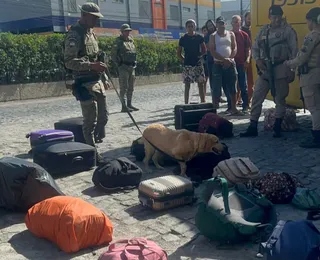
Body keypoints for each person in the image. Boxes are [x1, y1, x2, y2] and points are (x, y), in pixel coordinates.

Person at [240, 5, 298, 138]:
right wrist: (258, 60)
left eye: (278, 17)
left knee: (280, 99)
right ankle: (253, 125)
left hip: (281, 68)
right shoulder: (263, 31)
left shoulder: (288, 31)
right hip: (265, 70)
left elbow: (294, 52)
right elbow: (255, 47)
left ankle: (277, 126)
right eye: (274, 17)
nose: (276, 19)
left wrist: (292, 70)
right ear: (269, 17)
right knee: (257, 98)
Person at [64, 2, 109, 164]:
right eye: (94, 18)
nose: (96, 21)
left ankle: (93, 141)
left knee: (104, 118)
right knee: (89, 121)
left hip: (96, 81)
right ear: (84, 16)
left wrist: (104, 77)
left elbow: (97, 58)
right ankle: (93, 154)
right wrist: (91, 66)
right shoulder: (74, 35)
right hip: (82, 83)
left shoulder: (91, 33)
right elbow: (69, 62)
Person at [284, 7, 320, 148]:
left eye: (308, 21)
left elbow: (302, 58)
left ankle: (317, 137)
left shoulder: (312, 36)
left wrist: (289, 63)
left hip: (311, 76)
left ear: (313, 20)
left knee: (315, 108)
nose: (307, 24)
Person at [209, 16, 243, 115]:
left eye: (223, 23)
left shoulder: (231, 34)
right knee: (216, 88)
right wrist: (224, 59)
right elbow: (212, 50)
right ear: (216, 25)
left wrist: (230, 59)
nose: (221, 25)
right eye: (219, 23)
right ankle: (214, 110)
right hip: (218, 64)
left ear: (225, 24)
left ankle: (234, 108)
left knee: (233, 86)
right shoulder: (213, 36)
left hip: (230, 64)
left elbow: (234, 47)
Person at [177, 19, 206, 104]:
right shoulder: (183, 39)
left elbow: (204, 49)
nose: (190, 28)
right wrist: (184, 60)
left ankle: (203, 102)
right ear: (186, 27)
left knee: (200, 83)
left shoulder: (199, 38)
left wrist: (200, 57)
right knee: (187, 84)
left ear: (195, 27)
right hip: (187, 65)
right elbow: (178, 52)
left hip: (198, 64)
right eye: (188, 26)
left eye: (192, 26)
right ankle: (186, 103)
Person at [111, 24, 138, 113]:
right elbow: (113, 55)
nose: (127, 32)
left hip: (131, 66)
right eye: (126, 31)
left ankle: (129, 104)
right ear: (122, 32)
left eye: (128, 31)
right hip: (123, 67)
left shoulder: (131, 41)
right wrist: (119, 64)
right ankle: (124, 106)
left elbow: (134, 53)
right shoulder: (118, 42)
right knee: (124, 87)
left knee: (131, 87)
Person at [231, 15, 251, 113]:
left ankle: (245, 105)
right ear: (231, 23)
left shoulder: (244, 35)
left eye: (238, 21)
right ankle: (232, 106)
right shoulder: (228, 35)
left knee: (243, 85)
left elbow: (248, 49)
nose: (236, 23)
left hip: (241, 63)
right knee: (231, 86)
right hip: (231, 63)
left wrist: (247, 59)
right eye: (234, 21)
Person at [241, 11, 254, 107]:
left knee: (251, 81)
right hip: (244, 58)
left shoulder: (254, 29)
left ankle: (249, 100)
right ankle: (240, 99)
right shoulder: (242, 30)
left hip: (254, 57)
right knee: (241, 80)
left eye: (251, 17)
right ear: (245, 18)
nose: (250, 19)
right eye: (248, 17)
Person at [201, 25, 209, 94]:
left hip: (212, 61)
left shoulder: (212, 38)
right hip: (204, 62)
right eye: (204, 30)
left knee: (214, 80)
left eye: (206, 30)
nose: (206, 32)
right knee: (204, 80)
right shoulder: (201, 40)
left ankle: (217, 97)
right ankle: (204, 95)